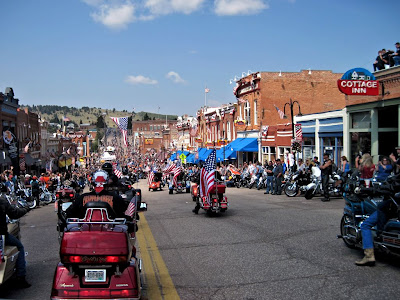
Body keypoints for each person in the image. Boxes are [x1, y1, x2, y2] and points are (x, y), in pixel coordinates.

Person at [356, 174, 400, 266]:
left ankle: (369, 256)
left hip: (394, 207)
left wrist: (367, 189)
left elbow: (390, 188)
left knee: (365, 225)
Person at [0, 183, 31, 288]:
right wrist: (26, 209)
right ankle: (21, 277)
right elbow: (14, 213)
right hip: (1, 235)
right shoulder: (2, 201)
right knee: (20, 247)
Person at [65, 170, 130, 220]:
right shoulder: (115, 197)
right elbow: (123, 211)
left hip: (85, 230)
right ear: (107, 183)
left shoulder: (82, 197)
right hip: (110, 230)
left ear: (93, 183)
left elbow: (70, 213)